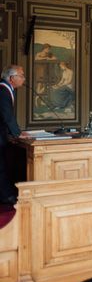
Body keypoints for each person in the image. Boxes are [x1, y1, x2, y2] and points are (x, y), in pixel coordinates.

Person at [0, 65, 28, 205]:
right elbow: (6, 115)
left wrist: (16, 131)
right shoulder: (3, 90)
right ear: (12, 78)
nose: (23, 78)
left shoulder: (6, 89)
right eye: (21, 76)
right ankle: (7, 197)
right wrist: (16, 133)